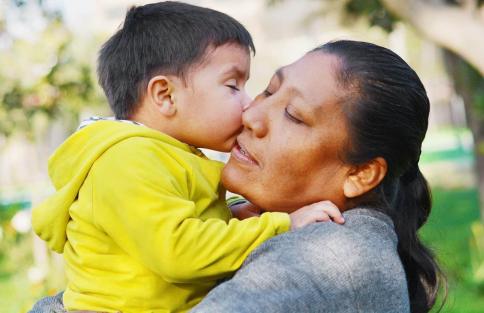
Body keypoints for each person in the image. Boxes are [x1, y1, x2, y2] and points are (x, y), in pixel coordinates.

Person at [31, 40, 445, 313]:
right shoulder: (245, 221)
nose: (250, 115)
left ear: (360, 173)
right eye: (268, 90)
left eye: (294, 115)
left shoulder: (331, 261)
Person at [30, 2, 344, 313]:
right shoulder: (126, 160)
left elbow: (176, 221)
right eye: (233, 85)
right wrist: (282, 225)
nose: (249, 105)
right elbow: (178, 250)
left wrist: (231, 214)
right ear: (166, 96)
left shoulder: (166, 154)